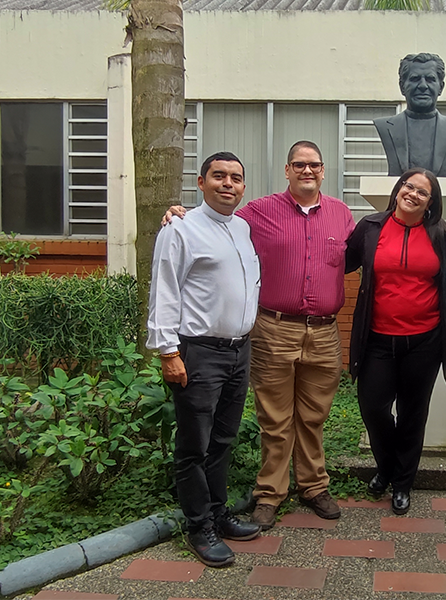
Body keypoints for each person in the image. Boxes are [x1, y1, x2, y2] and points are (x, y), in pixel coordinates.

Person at [163, 141, 355, 531]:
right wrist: (176, 210)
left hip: (323, 332)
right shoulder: (257, 212)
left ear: (323, 170)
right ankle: (269, 493)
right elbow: (215, 214)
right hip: (274, 329)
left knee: (314, 416)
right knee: (275, 417)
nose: (307, 171)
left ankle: (314, 485)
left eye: (314, 165)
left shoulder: (342, 214)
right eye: (299, 165)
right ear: (286, 170)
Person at [147, 152, 262, 568]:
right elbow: (164, 290)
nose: (227, 183)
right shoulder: (180, 228)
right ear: (200, 182)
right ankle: (199, 527)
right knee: (194, 445)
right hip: (197, 352)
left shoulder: (243, 227)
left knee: (223, 440)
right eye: (218, 176)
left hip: (238, 350)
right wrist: (167, 352)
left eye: (236, 177)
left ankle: (218, 512)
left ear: (243, 186)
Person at [345, 168, 446, 515]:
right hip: (377, 338)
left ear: (431, 201)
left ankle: (402, 483)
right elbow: (338, 260)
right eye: (409, 186)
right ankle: (387, 467)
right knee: (374, 409)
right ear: (398, 189)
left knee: (412, 414)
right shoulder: (370, 228)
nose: (413, 194)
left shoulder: (440, 233)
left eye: (423, 192)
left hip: (424, 340)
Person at [374, 53, 446, 178]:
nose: (423, 86)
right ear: (402, 86)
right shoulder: (385, 126)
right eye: (415, 79)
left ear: (441, 87)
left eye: (430, 79)